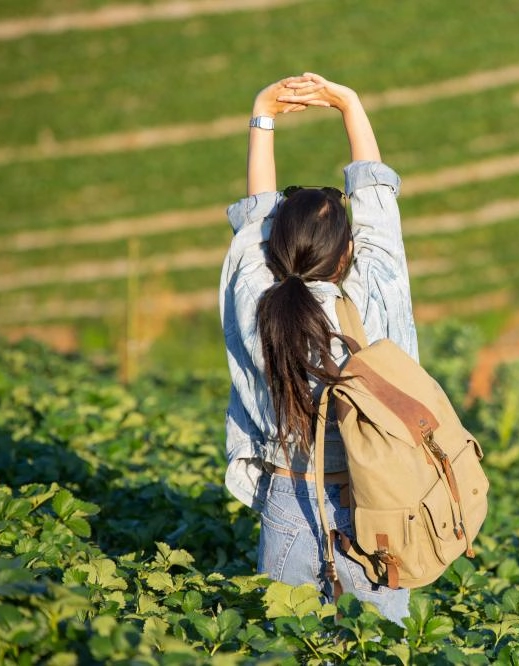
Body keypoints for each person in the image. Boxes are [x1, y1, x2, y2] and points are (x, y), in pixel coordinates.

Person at [218, 72, 417, 625]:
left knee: (286, 648)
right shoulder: (375, 288)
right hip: (376, 506)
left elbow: (256, 215)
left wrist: (262, 114)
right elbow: (378, 203)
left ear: (274, 250)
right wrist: (349, 104)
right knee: (377, 652)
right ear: (349, 252)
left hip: (289, 501)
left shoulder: (257, 299)